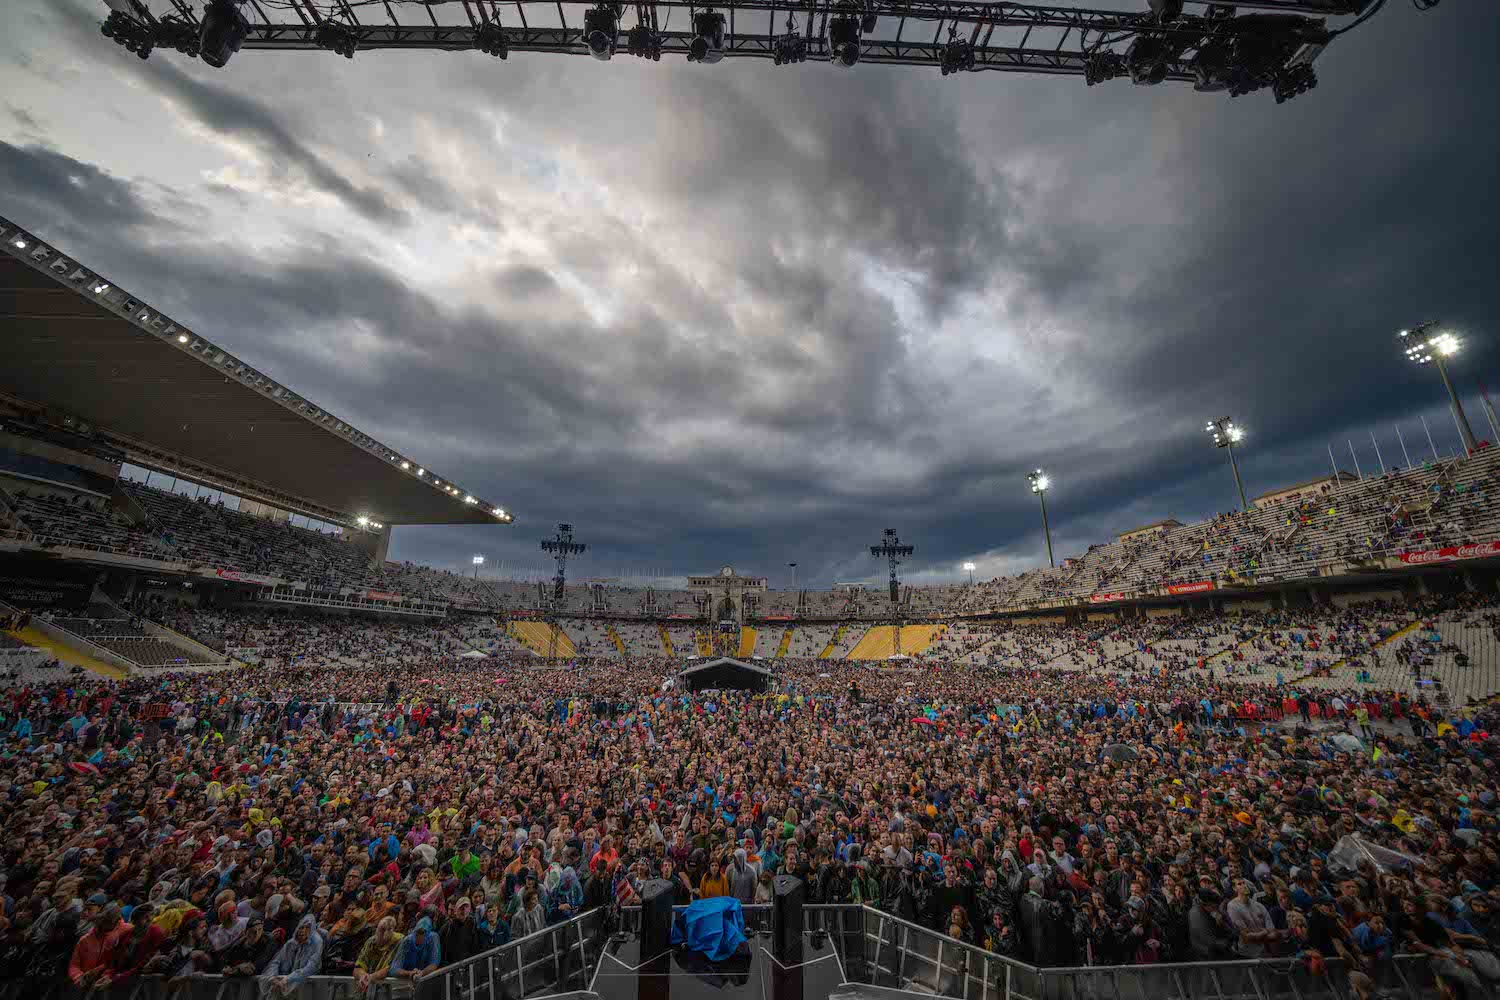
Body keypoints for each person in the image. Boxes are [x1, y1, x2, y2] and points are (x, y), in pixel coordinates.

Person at [259, 914, 323, 997]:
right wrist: (272, 977)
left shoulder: (316, 942)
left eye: (307, 928)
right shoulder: (291, 943)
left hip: (305, 988)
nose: (303, 931)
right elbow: (275, 961)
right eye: (301, 927)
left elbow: (311, 967)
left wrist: (289, 979)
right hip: (282, 985)